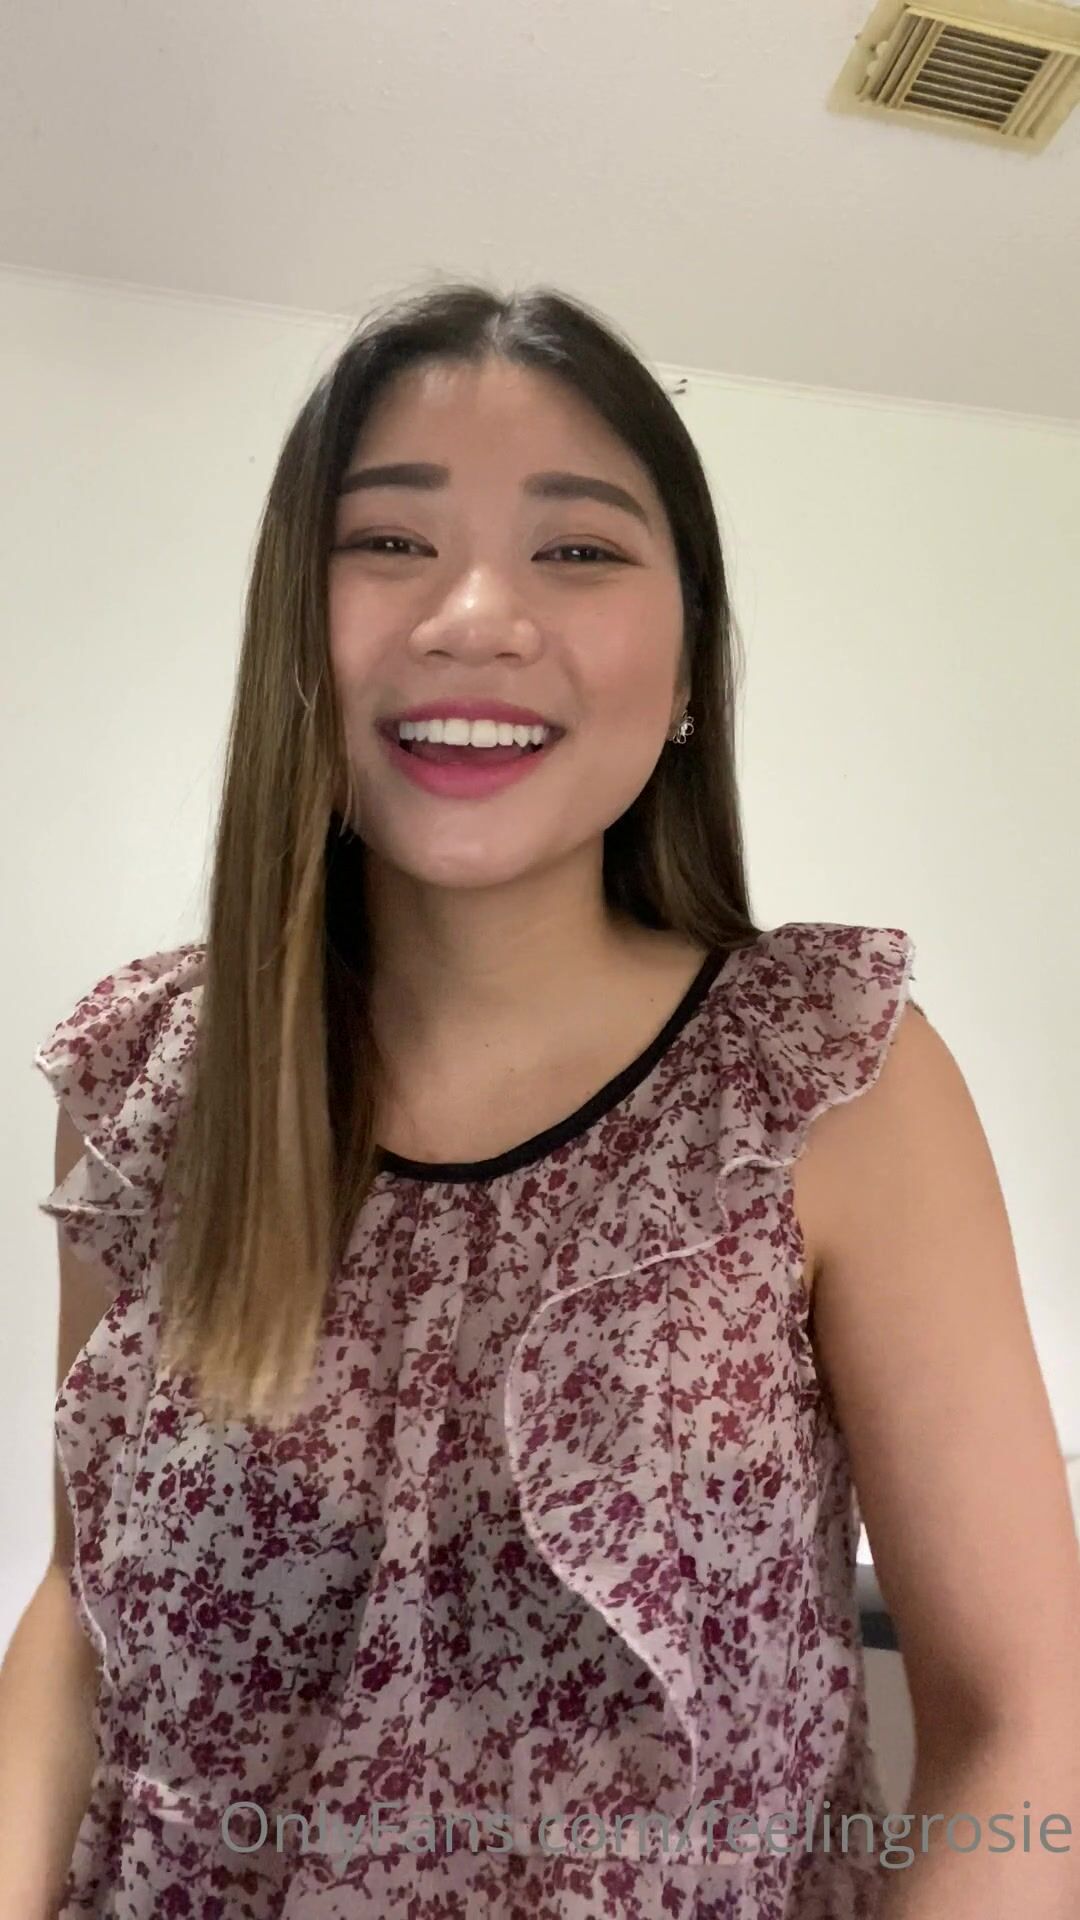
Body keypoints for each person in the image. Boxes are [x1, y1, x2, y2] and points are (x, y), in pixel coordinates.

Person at [4, 280, 1078, 1920]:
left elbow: (1024, 1727)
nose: (475, 615)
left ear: (692, 658)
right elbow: (81, 1621)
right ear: (294, 629)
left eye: (577, 548)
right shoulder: (147, 1082)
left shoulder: (832, 1080)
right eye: (389, 542)